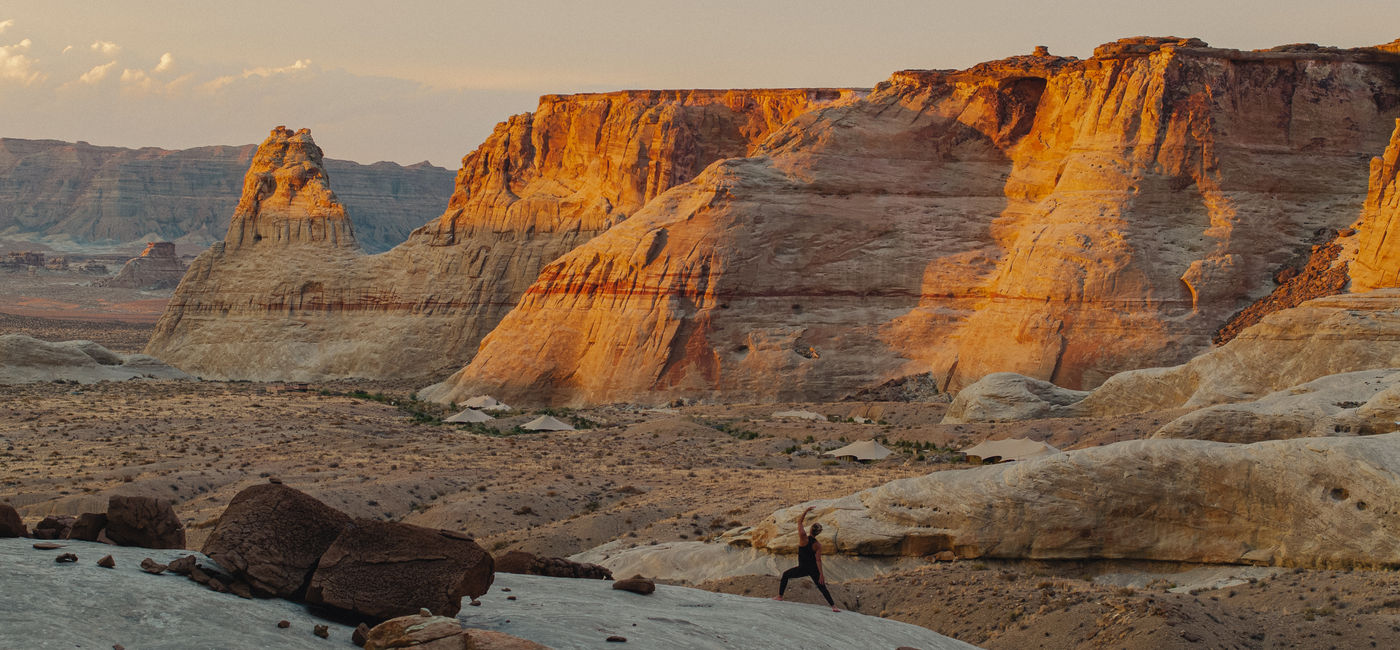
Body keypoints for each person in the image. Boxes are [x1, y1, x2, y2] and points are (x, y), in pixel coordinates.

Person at [773, 505, 839, 611]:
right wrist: (821, 574)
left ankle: (780, 596)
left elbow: (799, 522)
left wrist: (806, 511)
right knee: (822, 587)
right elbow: (818, 560)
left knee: (785, 575)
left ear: (811, 529)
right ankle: (834, 606)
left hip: (802, 568)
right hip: (813, 569)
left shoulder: (803, 537)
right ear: (818, 533)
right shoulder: (818, 545)